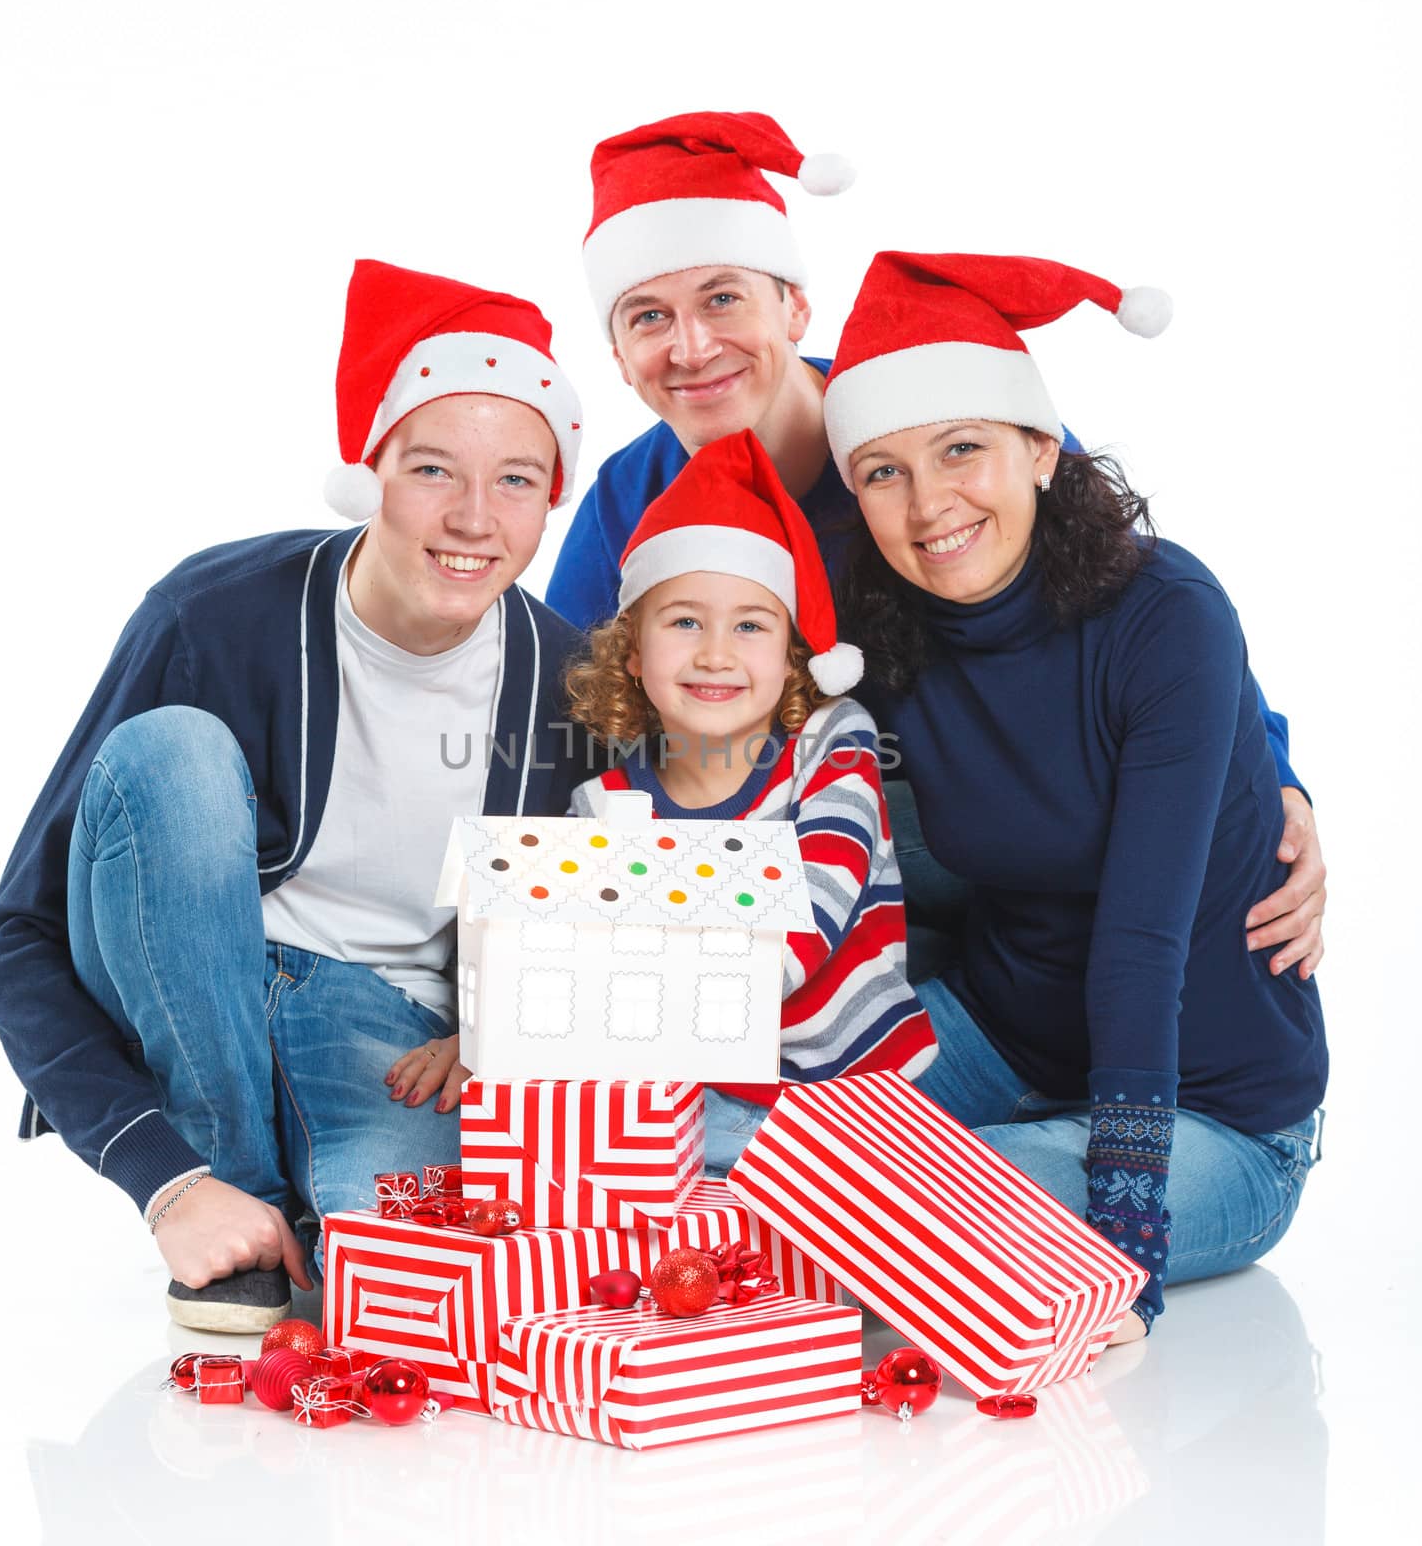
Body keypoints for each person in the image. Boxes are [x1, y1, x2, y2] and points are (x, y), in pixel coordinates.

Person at [545, 109, 1328, 984]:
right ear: (617, 355)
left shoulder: (930, 405)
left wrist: (1273, 780)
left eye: (723, 297)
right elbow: (559, 721)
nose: (691, 346)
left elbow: (1142, 599)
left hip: (1006, 821)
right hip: (780, 849)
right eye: (647, 317)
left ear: (795, 305)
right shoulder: (625, 499)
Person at [0, 262, 590, 1331]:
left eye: (518, 480)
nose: (474, 518)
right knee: (172, 753)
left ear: (551, 498)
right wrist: (165, 1175)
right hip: (192, 966)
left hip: (389, 1035)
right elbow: (12, 939)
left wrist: (496, 1029)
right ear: (372, 471)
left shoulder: (566, 681)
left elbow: (580, 923)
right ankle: (234, 1178)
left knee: (414, 1300)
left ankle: (294, 1214)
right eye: (433, 468)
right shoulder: (213, 612)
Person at [825, 250, 1327, 1337]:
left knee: (883, 1213)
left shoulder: (1165, 613)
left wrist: (1126, 1221)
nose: (927, 503)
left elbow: (1140, 938)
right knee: (768, 1162)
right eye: (880, 470)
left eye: (961, 448)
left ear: (1041, 450)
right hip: (999, 1036)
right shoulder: (882, 631)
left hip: (1207, 1111)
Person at [564, 428, 936, 1164]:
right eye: (683, 622)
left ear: (792, 653)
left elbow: (812, 902)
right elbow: (570, 956)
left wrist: (647, 1001)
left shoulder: (829, 746)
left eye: (749, 626)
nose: (714, 653)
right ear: (634, 653)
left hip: (857, 1096)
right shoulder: (601, 805)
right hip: (693, 1092)